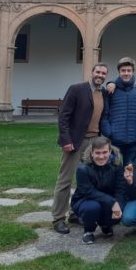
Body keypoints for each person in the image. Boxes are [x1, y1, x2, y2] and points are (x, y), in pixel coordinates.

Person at [51, 63, 108, 234]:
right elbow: (64, 116)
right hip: (76, 141)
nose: (100, 75)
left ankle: (76, 213)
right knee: (65, 180)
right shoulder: (77, 89)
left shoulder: (102, 93)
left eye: (104, 73)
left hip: (94, 142)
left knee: (87, 180)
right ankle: (58, 218)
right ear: (92, 73)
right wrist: (66, 139)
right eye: (98, 72)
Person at [70, 136, 126, 245]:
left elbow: (120, 188)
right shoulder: (83, 168)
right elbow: (88, 191)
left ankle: (105, 224)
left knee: (120, 211)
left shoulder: (117, 165)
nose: (101, 156)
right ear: (92, 153)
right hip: (85, 200)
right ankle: (88, 230)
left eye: (105, 152)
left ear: (110, 151)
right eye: (98, 153)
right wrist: (113, 202)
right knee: (92, 208)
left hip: (108, 199)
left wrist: (118, 205)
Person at [100, 57, 136, 164]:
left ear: (133, 72)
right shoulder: (111, 90)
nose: (126, 73)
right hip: (115, 139)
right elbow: (105, 114)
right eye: (123, 71)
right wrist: (109, 132)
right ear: (119, 72)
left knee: (129, 170)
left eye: (129, 71)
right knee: (114, 169)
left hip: (133, 140)